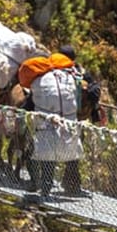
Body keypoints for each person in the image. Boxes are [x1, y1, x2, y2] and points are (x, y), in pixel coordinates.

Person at [27, 52, 86, 198]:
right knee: (71, 155)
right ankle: (73, 185)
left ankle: (44, 187)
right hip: (69, 124)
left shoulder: (38, 81)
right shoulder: (70, 78)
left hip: (47, 124)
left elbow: (30, 103)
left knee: (48, 159)